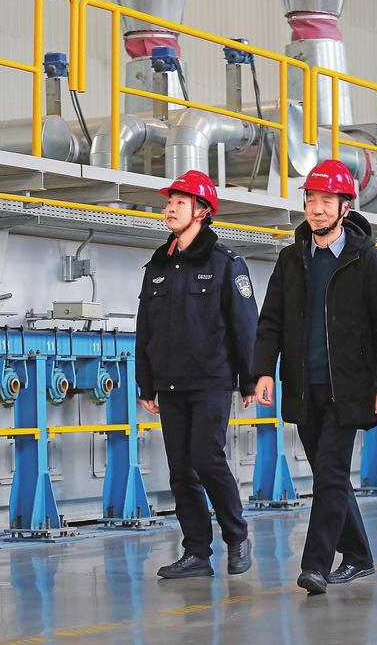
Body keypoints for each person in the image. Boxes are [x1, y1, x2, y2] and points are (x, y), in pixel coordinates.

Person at [252, 159, 377, 595]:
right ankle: (359, 555)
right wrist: (263, 370)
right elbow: (270, 321)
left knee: (330, 474)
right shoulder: (290, 260)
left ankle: (315, 564)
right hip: (303, 386)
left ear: (345, 207)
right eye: (311, 200)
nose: (316, 209)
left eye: (326, 201)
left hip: (348, 389)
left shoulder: (368, 261)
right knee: (328, 475)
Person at [135, 170, 258, 579]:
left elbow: (245, 325)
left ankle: (237, 536)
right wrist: (145, 383)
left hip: (211, 380)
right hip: (170, 383)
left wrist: (249, 377)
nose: (170, 209)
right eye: (169, 202)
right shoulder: (157, 265)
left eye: (180, 203)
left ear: (202, 211)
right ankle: (196, 553)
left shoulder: (225, 264)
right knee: (181, 471)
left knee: (207, 459)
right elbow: (145, 328)